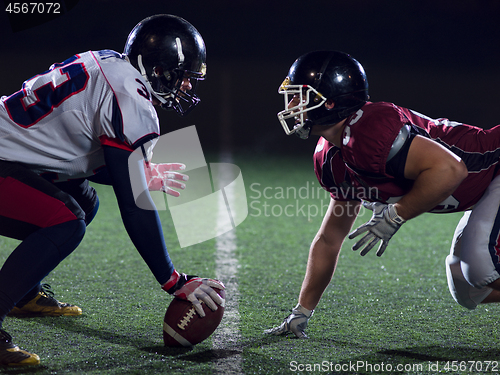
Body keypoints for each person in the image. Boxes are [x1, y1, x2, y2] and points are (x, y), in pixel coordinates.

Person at [0, 14, 224, 366]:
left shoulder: (111, 62)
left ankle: (23, 294)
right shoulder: (131, 98)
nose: (187, 87)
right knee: (67, 221)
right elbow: (134, 204)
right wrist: (172, 279)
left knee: (83, 203)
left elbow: (79, 156)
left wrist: (137, 171)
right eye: (183, 77)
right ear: (157, 69)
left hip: (13, 156)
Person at [265, 50, 500, 339]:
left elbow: (451, 171)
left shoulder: (370, 130)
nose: (291, 105)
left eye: (301, 96)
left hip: (496, 167)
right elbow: (329, 238)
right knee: (468, 288)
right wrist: (302, 312)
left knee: (481, 267)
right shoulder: (331, 158)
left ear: (330, 102)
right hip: (484, 187)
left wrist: (395, 216)